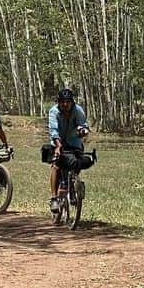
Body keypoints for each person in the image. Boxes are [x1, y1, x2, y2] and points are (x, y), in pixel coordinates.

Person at [47, 85, 89, 215]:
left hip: (73, 141)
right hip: (58, 141)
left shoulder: (78, 111)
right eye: (62, 102)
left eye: (68, 101)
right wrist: (58, 147)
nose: (65, 104)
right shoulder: (54, 112)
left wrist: (83, 131)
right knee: (56, 166)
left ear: (72, 102)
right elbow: (53, 132)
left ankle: (73, 186)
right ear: (58, 102)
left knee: (78, 161)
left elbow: (84, 126)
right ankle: (54, 198)